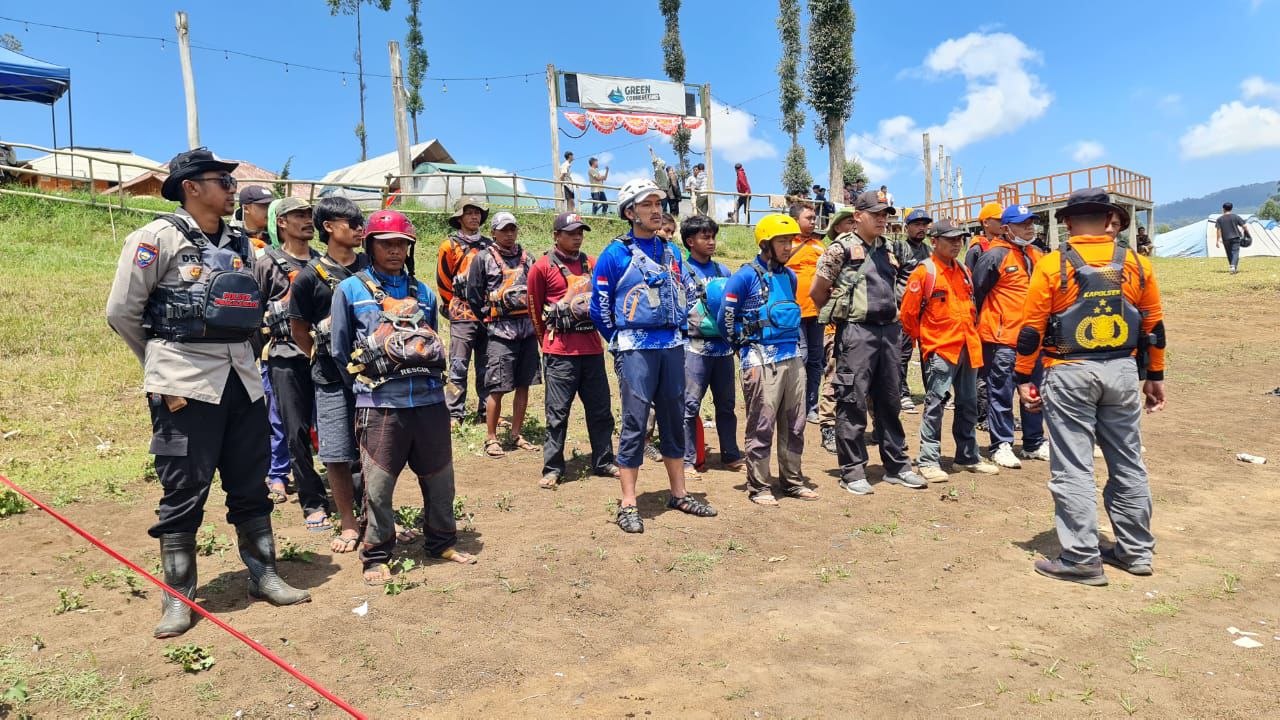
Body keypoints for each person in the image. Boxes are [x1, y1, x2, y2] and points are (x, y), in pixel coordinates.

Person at [105, 148, 310, 638]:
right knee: (183, 490)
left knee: (250, 483)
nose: (231, 188)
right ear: (191, 186)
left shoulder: (244, 242)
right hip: (184, 385)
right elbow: (122, 313)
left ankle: (264, 575)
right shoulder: (155, 239)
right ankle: (178, 600)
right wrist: (162, 363)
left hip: (242, 379)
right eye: (222, 179)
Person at [1015, 188, 1166, 586]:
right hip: (1121, 371)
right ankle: (1136, 551)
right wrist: (1156, 377)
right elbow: (1154, 326)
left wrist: (1022, 380)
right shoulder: (1137, 264)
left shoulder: (1051, 266)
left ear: (1066, 223)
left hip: (1069, 372)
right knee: (1128, 461)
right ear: (1107, 221)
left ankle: (1081, 556)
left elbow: (1031, 330)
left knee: (1073, 465)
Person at [331, 210, 477, 585]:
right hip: (380, 406)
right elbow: (339, 349)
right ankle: (376, 555)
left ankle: (441, 541)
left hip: (429, 403)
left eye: (401, 244)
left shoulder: (424, 293)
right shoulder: (350, 290)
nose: (395, 250)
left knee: (440, 479)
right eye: (386, 243)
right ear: (370, 245)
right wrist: (365, 390)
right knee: (378, 486)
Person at [589, 179, 719, 533]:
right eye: (647, 204)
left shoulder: (672, 252)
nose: (656, 209)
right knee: (634, 422)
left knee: (674, 418)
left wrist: (678, 329)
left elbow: (689, 293)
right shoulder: (614, 254)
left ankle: (678, 493)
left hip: (672, 347)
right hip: (635, 348)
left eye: (658, 203)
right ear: (630, 212)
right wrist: (617, 338)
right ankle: (628, 502)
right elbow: (599, 306)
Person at [810, 191, 924, 495]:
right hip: (857, 333)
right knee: (852, 401)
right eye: (876, 214)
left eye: (885, 214)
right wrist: (843, 316)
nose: (882, 219)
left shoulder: (888, 248)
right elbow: (818, 291)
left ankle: (897, 466)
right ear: (857, 215)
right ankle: (853, 470)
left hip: (889, 333)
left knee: (890, 401)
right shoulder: (841, 249)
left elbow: (901, 280)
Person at [286, 196, 370, 553]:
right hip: (331, 378)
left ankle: (379, 516)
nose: (358, 230)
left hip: (373, 375)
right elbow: (298, 331)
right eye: (351, 224)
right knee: (336, 452)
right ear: (329, 228)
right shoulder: (308, 278)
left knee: (376, 450)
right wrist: (328, 357)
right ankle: (349, 523)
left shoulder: (371, 268)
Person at [718, 215, 812, 505]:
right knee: (762, 423)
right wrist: (741, 348)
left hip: (792, 357)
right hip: (759, 358)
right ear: (765, 244)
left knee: (795, 423)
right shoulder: (745, 276)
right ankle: (759, 486)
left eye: (791, 241)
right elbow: (726, 318)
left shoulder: (790, 276)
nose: (788, 246)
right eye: (782, 241)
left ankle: (792, 481)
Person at [899, 220, 1000, 482]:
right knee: (936, 404)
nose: (957, 244)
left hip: (968, 346)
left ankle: (967, 457)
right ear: (935, 241)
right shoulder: (925, 272)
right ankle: (929, 460)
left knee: (967, 404)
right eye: (951, 239)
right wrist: (924, 344)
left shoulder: (964, 270)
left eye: (960, 239)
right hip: (941, 349)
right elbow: (908, 315)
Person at [527, 212, 620, 488]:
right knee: (557, 413)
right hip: (560, 353)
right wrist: (547, 342)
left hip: (592, 351)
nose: (577, 236)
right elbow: (534, 309)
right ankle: (553, 467)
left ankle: (604, 461)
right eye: (570, 232)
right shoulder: (542, 267)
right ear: (556, 236)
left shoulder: (593, 264)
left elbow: (606, 301)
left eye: (580, 232)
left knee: (601, 410)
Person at [253, 197, 329, 532]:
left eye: (310, 215)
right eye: (299, 215)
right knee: (295, 431)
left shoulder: (323, 262)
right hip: (284, 356)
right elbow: (253, 315)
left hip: (322, 355)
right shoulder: (266, 263)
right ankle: (312, 501)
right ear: (281, 222)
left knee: (331, 427)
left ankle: (348, 491)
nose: (307, 221)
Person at [973, 204, 1047, 468]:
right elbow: (977, 293)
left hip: (1033, 339)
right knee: (1000, 393)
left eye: (1031, 223)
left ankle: (1034, 442)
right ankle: (1001, 444)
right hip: (1002, 339)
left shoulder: (1038, 255)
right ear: (1006, 228)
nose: (1029, 227)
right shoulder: (994, 256)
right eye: (1023, 223)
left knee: (1034, 392)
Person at [465, 212, 542, 458]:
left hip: (527, 332)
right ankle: (491, 438)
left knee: (524, 385)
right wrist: (488, 317)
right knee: (496, 387)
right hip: (500, 334)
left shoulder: (528, 258)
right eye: (504, 229)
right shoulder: (483, 258)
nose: (509, 234)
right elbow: (474, 294)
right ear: (494, 232)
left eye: (513, 229)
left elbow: (538, 290)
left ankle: (517, 434)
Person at [236, 187, 291, 504]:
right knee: (272, 412)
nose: (268, 211)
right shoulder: (235, 241)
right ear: (247, 208)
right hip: (256, 338)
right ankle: (276, 472)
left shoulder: (276, 247)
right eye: (263, 206)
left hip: (286, 338)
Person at [680, 214, 744, 480]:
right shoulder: (681, 271)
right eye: (705, 237)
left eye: (713, 236)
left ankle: (730, 453)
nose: (711, 242)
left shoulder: (724, 272)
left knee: (726, 405)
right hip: (694, 348)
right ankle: (688, 460)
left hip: (723, 349)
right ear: (689, 241)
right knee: (689, 405)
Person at [436, 197, 492, 425]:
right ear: (459, 217)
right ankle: (454, 413)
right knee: (458, 363)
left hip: (488, 314)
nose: (474, 216)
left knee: (487, 365)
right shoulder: (449, 245)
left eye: (477, 212)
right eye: (468, 212)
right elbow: (443, 280)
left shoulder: (490, 245)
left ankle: (486, 411)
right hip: (461, 313)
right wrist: (454, 306)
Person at [816, 208, 855, 453]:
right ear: (838, 228)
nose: (854, 226)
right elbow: (819, 290)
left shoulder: (866, 253)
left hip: (861, 330)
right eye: (849, 222)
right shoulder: (835, 253)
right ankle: (828, 427)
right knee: (834, 377)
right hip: (835, 328)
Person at [784, 203, 826, 423]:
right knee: (802, 356)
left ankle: (812, 405)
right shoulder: (785, 244)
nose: (813, 221)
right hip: (794, 314)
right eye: (808, 217)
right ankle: (796, 405)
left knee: (816, 360)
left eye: (814, 217)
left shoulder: (820, 245)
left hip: (817, 313)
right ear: (795, 220)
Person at [968, 200, 1006, 431]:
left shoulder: (1005, 247)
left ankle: (996, 413)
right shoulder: (977, 249)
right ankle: (982, 415)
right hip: (983, 317)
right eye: (999, 220)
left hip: (1003, 319)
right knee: (983, 370)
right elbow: (973, 286)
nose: (1003, 223)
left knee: (1000, 373)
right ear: (986, 222)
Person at [893, 208, 935, 414]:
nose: (921, 228)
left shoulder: (929, 251)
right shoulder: (899, 248)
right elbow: (891, 277)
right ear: (907, 227)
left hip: (926, 312)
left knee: (930, 353)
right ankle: (902, 393)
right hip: (904, 311)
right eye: (917, 224)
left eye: (924, 224)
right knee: (902, 354)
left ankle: (934, 393)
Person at [1214, 202, 1251, 274]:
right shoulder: (1235, 217)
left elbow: (1218, 230)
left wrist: (1217, 240)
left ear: (1223, 209)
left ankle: (1233, 267)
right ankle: (1233, 266)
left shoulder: (1219, 219)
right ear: (1231, 209)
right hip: (1236, 237)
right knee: (1235, 252)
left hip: (1225, 239)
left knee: (1229, 253)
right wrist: (1248, 234)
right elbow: (1244, 226)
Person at [236, 185, 274, 251]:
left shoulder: (279, 236)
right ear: (246, 208)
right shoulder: (233, 239)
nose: (270, 210)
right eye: (264, 205)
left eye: (271, 205)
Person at [649, 146, 673, 214]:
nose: (661, 160)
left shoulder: (662, 171)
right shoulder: (658, 169)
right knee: (663, 207)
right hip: (661, 190)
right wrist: (651, 152)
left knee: (664, 207)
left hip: (664, 190)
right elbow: (654, 160)